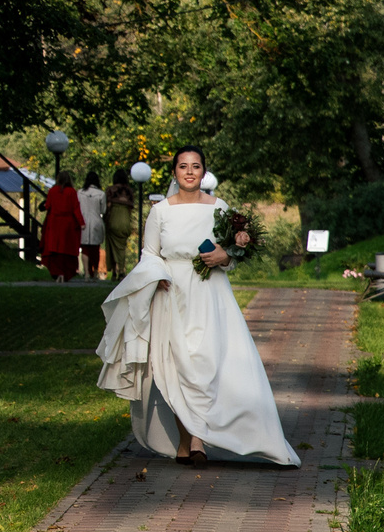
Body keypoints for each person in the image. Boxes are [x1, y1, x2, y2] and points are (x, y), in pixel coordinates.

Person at [93, 147, 298, 467]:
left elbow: (230, 252)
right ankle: (189, 440)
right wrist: (155, 275)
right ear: (174, 172)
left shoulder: (219, 208)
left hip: (210, 294)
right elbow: (149, 254)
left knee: (207, 363)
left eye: (196, 166)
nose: (189, 172)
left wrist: (226, 256)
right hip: (172, 294)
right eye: (183, 166)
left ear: (203, 172)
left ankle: (198, 440)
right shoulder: (160, 211)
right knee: (176, 366)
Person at [39, 173, 84, 280]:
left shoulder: (53, 191)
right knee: (66, 248)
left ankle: (57, 272)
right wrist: (81, 223)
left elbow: (48, 205)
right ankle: (65, 273)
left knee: (54, 248)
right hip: (68, 224)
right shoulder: (72, 192)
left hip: (54, 222)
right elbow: (75, 208)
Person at [101, 180, 135, 280]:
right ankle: (121, 269)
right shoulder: (129, 191)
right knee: (122, 248)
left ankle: (114, 271)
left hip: (113, 220)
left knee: (111, 247)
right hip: (125, 222)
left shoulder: (110, 190)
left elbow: (107, 207)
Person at [77, 171, 107, 278]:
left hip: (83, 222)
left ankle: (86, 272)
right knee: (95, 249)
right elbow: (103, 210)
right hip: (96, 222)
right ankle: (94, 272)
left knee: (85, 248)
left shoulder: (80, 193)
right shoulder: (101, 194)